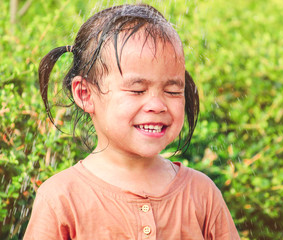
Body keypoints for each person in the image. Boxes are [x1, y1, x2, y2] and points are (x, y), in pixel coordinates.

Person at [24, 4, 240, 240]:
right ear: (85, 94)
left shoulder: (202, 194)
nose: (157, 104)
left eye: (172, 91)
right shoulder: (62, 199)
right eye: (137, 90)